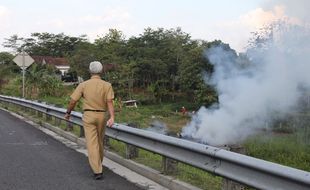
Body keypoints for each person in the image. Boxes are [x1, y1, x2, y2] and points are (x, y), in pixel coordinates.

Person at [64, 61, 114, 180]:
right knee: (100, 141)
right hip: (102, 116)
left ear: (90, 71)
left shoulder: (83, 85)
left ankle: (97, 171)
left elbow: (73, 101)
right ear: (101, 71)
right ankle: (98, 163)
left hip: (88, 115)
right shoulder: (107, 85)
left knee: (92, 143)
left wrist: (68, 113)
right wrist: (112, 117)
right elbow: (110, 102)